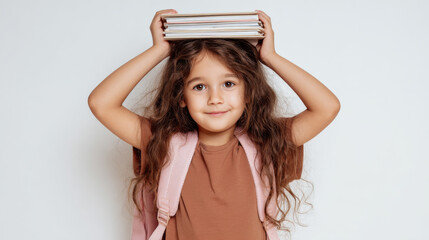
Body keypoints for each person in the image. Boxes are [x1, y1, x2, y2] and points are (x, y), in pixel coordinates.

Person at [88, 9, 340, 240]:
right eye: (199, 86)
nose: (215, 98)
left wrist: (270, 57)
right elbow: (102, 103)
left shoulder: (266, 141)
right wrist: (159, 50)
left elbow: (327, 107)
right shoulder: (164, 142)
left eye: (229, 84)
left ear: (248, 92)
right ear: (181, 97)